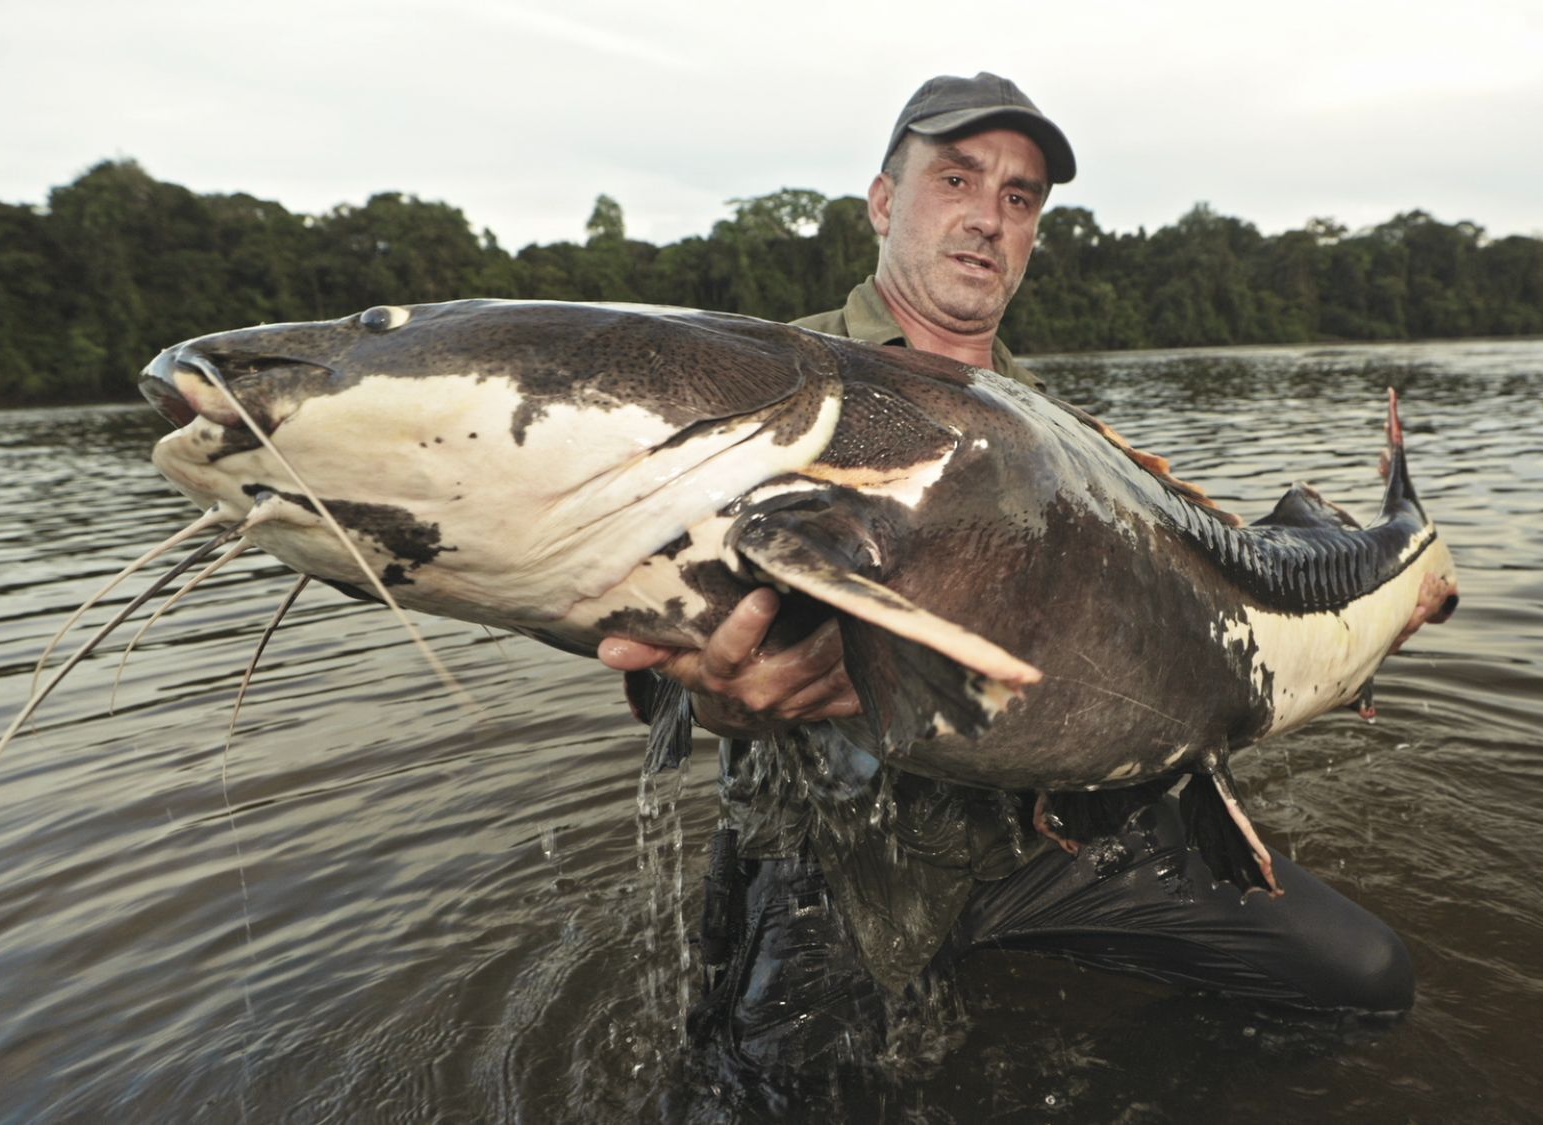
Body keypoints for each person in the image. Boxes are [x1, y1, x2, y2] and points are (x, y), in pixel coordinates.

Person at [598, 72, 1451, 1099]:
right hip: (837, 864)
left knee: (1357, 980)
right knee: (762, 1093)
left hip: (1045, 840)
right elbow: (651, 637)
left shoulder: (1059, 436)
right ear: (881, 201)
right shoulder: (774, 387)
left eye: (1018, 198)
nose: (987, 218)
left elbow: (1187, 634)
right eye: (955, 178)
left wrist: (1368, 617)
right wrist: (710, 698)